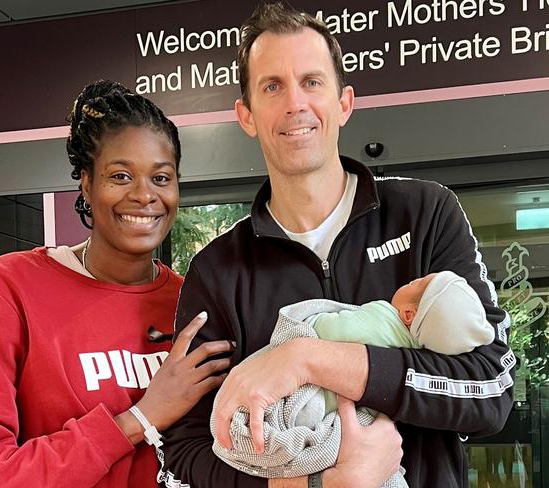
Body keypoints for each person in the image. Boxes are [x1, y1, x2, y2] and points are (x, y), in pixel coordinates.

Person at [160, 3, 514, 488]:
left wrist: (308, 358)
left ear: (344, 102)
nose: (294, 104)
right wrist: (313, 486)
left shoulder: (426, 213)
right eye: (272, 86)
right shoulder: (218, 271)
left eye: (311, 81)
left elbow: (491, 388)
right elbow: (186, 448)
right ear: (246, 115)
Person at [0, 80, 234, 487]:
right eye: (120, 176)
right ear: (87, 184)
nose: (144, 195)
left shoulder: (193, 303)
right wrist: (139, 418)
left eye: (161, 178)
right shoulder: (5, 291)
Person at [212, 271, 495, 481]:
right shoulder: (414, 354)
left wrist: (307, 339)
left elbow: (330, 329)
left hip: (309, 402)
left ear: (409, 314)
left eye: (417, 284)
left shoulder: (383, 318)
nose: (412, 278)